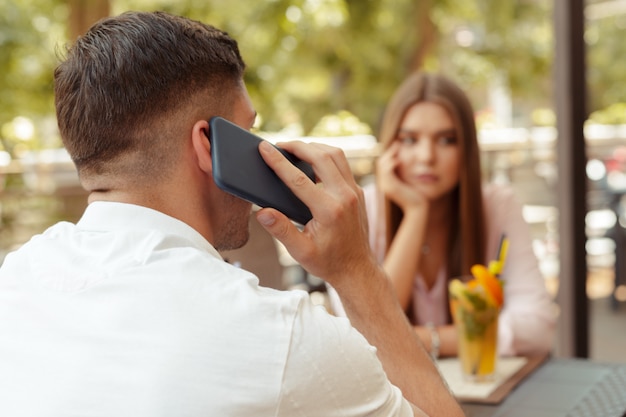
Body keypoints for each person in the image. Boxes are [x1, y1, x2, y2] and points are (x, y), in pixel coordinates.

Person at [0, 12, 465, 417]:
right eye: (249, 132)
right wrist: (357, 271)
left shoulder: (15, 279)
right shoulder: (285, 338)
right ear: (209, 146)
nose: (262, 151)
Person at [329, 72, 556, 358]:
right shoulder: (358, 210)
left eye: (446, 140)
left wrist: (424, 341)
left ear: (467, 150)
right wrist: (415, 213)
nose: (426, 156)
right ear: (390, 146)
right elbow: (362, 335)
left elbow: (536, 329)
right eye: (410, 139)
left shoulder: (497, 205)